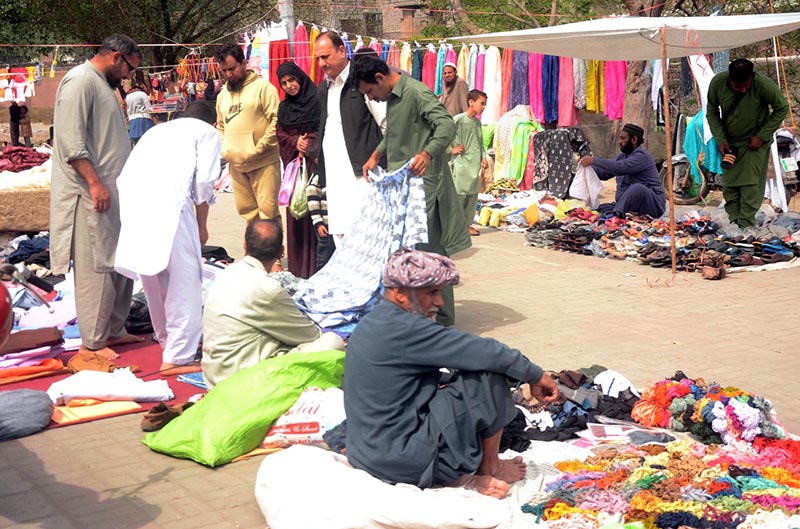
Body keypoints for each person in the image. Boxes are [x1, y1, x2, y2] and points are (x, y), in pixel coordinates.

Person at [344, 247, 559, 498]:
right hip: (403, 463)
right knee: (491, 374)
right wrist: (535, 375)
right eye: (432, 293)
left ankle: (468, 465)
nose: (440, 302)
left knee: (464, 375)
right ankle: (487, 467)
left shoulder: (374, 320)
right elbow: (489, 353)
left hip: (367, 453)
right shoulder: (407, 328)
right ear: (400, 294)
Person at [356, 55, 470, 327]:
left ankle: (442, 320)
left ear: (380, 78)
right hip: (404, 187)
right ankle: (419, 313)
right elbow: (395, 133)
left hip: (424, 187)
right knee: (409, 253)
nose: (372, 98)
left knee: (430, 254)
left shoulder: (416, 92)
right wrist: (376, 154)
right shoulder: (394, 98)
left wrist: (428, 154)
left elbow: (446, 125)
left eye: (370, 92)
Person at [50, 34, 143, 360]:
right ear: (117, 57)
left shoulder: (104, 85)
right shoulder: (80, 81)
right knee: (97, 269)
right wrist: (95, 184)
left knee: (120, 265)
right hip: (91, 195)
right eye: (130, 68)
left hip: (112, 194)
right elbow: (71, 143)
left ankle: (113, 330)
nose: (129, 76)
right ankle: (93, 340)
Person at [114, 101, 220, 376]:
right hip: (171, 206)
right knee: (184, 281)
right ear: (212, 122)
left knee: (154, 277)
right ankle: (179, 355)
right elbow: (204, 181)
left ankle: (167, 342)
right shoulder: (207, 133)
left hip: (135, 205)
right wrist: (201, 221)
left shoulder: (154, 131)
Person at [201, 219, 345, 389]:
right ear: (281, 253)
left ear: (245, 246)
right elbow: (310, 335)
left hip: (213, 375)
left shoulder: (226, 274)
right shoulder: (268, 288)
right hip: (241, 381)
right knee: (332, 342)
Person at [315, 31, 386, 245]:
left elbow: (386, 125)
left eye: (325, 57)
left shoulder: (362, 80)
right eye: (318, 58)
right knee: (342, 235)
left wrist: (378, 157)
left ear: (341, 51)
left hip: (363, 173)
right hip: (336, 176)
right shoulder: (324, 88)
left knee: (368, 233)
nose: (321, 63)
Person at [707, 58, 789, 229]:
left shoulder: (763, 85)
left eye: (746, 85)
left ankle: (746, 224)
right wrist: (720, 139)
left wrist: (762, 135)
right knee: (730, 186)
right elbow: (712, 112)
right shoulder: (718, 83)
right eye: (738, 86)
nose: (743, 89)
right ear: (730, 79)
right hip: (730, 144)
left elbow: (782, 108)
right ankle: (734, 224)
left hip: (754, 143)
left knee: (750, 186)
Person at [215, 44, 282, 228]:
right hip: (236, 166)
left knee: (268, 214)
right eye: (224, 71)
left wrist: (258, 148)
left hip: (264, 163)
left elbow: (277, 121)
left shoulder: (263, 88)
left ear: (244, 63)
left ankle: (273, 256)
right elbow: (221, 126)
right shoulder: (222, 96)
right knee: (249, 215)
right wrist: (225, 148)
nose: (229, 75)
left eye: (232, 68)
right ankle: (255, 255)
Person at [276, 61, 320, 279]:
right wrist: (295, 142)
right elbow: (280, 134)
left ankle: (317, 268)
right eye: (284, 83)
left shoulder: (317, 101)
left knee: (316, 213)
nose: (289, 86)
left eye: (292, 80)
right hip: (295, 170)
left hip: (315, 165)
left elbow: (324, 127)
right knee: (296, 212)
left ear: (300, 78)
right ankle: (298, 269)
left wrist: (309, 143)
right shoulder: (284, 108)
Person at [578, 123, 666, 219]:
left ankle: (617, 215)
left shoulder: (642, 156)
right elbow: (605, 173)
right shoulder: (623, 156)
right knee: (597, 209)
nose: (619, 142)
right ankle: (618, 212)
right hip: (626, 205)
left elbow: (619, 167)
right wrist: (587, 169)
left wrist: (594, 160)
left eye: (623, 138)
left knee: (637, 188)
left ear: (634, 140)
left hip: (652, 205)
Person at [451, 89, 488, 237]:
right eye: (482, 103)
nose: (484, 107)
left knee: (472, 197)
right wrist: (450, 150)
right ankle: (456, 227)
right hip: (461, 164)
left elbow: (480, 143)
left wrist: (483, 157)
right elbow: (442, 135)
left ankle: (467, 225)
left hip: (474, 165)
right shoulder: (458, 120)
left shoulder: (477, 124)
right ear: (471, 102)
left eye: (485, 104)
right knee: (459, 196)